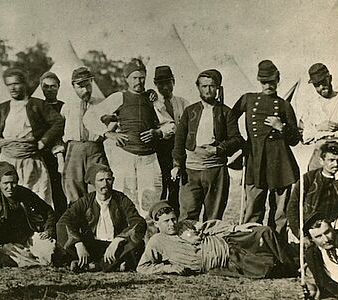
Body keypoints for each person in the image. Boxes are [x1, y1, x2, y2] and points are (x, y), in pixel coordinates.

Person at [232, 60, 301, 241]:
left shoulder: (284, 105)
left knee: (280, 213)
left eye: (272, 81)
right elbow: (229, 119)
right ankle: (249, 247)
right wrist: (240, 141)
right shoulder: (248, 99)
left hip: (280, 163)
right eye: (264, 82)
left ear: (278, 79)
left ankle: (277, 248)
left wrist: (282, 127)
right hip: (256, 160)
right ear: (258, 80)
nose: (268, 85)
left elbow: (295, 139)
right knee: (253, 208)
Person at [83, 58, 163, 217]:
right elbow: (89, 117)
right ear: (126, 79)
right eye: (134, 78)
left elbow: (169, 124)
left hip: (148, 156)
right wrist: (108, 133)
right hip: (125, 154)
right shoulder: (119, 97)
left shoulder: (152, 99)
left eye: (141, 77)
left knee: (150, 196)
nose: (138, 81)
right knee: (125, 193)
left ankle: (147, 235)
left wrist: (158, 132)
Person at [138, 202, 292, 278]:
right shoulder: (157, 241)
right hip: (225, 260)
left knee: (264, 231)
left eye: (173, 219)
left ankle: (292, 260)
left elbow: (209, 226)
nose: (172, 224)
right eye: (166, 221)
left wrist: (236, 228)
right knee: (269, 268)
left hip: (227, 241)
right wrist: (166, 268)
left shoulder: (184, 225)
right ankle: (294, 263)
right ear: (157, 224)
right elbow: (142, 267)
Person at [0, 68, 64, 208]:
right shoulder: (4, 108)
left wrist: (43, 142)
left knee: (37, 197)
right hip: (8, 159)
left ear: (24, 84)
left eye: (16, 83)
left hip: (30, 160)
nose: (13, 88)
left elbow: (58, 122)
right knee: (10, 198)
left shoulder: (37, 105)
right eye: (9, 85)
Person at [171, 69, 244, 221]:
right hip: (191, 171)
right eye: (204, 86)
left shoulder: (226, 112)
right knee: (187, 216)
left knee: (213, 218)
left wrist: (219, 149)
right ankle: (188, 245)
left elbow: (237, 139)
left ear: (217, 88)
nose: (208, 90)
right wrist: (177, 164)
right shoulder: (190, 111)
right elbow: (179, 140)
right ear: (198, 87)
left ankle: (210, 245)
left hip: (216, 171)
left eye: (211, 86)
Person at [55, 164, 146, 272]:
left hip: (114, 246)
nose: (105, 184)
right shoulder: (85, 201)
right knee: (64, 244)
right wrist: (78, 243)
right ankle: (114, 264)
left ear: (113, 180)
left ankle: (92, 266)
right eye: (100, 180)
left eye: (108, 179)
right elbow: (64, 221)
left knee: (137, 244)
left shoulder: (121, 199)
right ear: (93, 182)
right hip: (92, 245)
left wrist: (118, 240)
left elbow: (138, 221)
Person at [0, 161, 56, 267]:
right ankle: (32, 261)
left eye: (13, 182)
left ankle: (36, 260)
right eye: (6, 183)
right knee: (8, 257)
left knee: (48, 249)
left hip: (28, 237)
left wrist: (48, 230)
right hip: (7, 244)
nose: (10, 187)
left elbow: (48, 211)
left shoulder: (25, 194)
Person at [56, 67, 108, 207]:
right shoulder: (67, 106)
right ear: (73, 86)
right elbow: (58, 133)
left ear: (92, 82)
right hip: (74, 150)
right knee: (73, 189)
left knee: (100, 186)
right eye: (80, 86)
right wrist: (60, 157)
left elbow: (115, 122)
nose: (85, 90)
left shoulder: (102, 104)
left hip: (95, 149)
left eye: (88, 85)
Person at [288, 141, 338, 239]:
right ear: (321, 161)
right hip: (313, 229)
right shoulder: (309, 179)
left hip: (337, 229)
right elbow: (292, 208)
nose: (336, 164)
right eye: (331, 160)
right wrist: (301, 235)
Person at [298, 63, 338, 172]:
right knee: (316, 187)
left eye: (323, 82)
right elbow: (303, 137)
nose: (321, 87)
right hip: (321, 158)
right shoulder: (311, 106)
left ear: (330, 78)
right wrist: (318, 128)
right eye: (317, 85)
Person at [152, 65, 190, 211]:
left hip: (179, 147)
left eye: (168, 82)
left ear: (174, 81)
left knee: (178, 184)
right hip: (161, 148)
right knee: (163, 183)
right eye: (160, 83)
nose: (165, 87)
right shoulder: (153, 104)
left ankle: (176, 216)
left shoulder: (183, 102)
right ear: (156, 85)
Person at [303, 212, 338, 299]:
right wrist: (315, 290)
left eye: (327, 232)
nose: (326, 239)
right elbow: (325, 285)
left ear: (332, 228)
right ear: (311, 239)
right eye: (318, 236)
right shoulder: (313, 255)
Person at [39, 71, 68, 214]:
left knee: (60, 189)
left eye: (53, 86)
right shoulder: (38, 107)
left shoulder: (64, 107)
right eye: (46, 86)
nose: (50, 89)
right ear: (41, 88)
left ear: (58, 87)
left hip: (60, 154)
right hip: (42, 154)